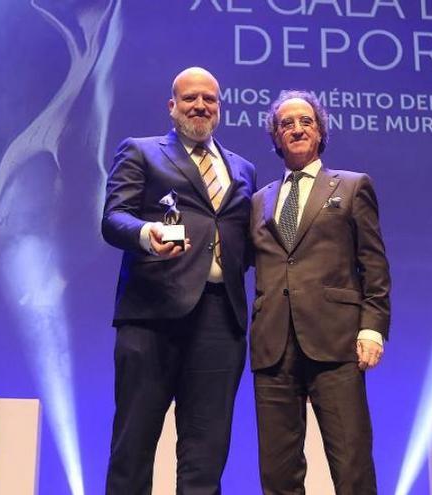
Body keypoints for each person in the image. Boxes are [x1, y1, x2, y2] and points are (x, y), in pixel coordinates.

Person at [101, 67, 256, 494]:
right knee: (133, 447)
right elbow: (113, 218)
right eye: (190, 98)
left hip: (220, 321)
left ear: (220, 108)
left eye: (209, 99)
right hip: (152, 316)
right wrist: (146, 236)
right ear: (172, 107)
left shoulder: (243, 168)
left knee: (205, 455)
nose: (200, 106)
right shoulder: (141, 151)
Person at [249, 90, 391, 494]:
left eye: (305, 121)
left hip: (337, 342)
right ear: (276, 137)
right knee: (278, 474)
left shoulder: (351, 187)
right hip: (272, 346)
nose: (296, 128)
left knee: (352, 466)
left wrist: (372, 328)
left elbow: (374, 265)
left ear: (320, 132)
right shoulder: (259, 201)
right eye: (286, 124)